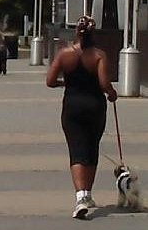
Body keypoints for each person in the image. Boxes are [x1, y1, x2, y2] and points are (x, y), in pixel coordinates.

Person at [45, 15, 117, 219]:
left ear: (76, 32)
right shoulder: (99, 55)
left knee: (76, 150)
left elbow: (50, 81)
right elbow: (104, 84)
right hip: (94, 105)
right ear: (94, 34)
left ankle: (80, 197)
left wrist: (65, 84)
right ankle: (88, 193)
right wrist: (112, 94)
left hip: (72, 106)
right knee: (92, 147)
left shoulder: (64, 54)